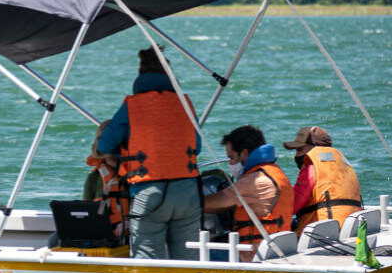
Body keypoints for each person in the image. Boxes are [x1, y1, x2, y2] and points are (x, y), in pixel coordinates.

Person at [96, 46, 202, 259]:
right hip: (188, 193)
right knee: (188, 260)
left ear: (140, 74)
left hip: (149, 191)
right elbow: (196, 147)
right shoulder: (185, 103)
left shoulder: (133, 105)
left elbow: (105, 146)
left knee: (148, 261)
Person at [204, 125, 292, 261]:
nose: (230, 164)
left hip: (253, 255)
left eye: (231, 158)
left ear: (244, 154)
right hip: (275, 250)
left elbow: (210, 203)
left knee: (193, 252)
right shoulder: (275, 173)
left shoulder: (254, 181)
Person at [283, 125, 363, 233]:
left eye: (299, 149)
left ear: (314, 147)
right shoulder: (342, 164)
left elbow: (291, 207)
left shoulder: (311, 168)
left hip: (324, 234)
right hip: (350, 229)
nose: (296, 154)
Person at [84, 120, 129, 246]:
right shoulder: (93, 178)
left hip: (127, 235)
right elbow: (85, 211)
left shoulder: (135, 177)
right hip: (102, 236)